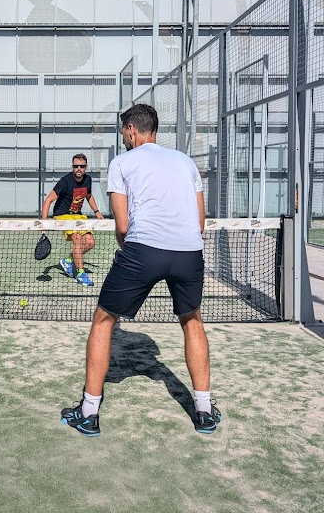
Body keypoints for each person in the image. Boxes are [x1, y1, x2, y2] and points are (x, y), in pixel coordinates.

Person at [60, 104, 222, 436]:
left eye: (123, 131)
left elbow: (123, 225)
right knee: (192, 321)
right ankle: (204, 411)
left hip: (143, 251)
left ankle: (89, 413)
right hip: (190, 252)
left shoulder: (121, 163)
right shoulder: (186, 162)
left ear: (132, 129)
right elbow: (200, 222)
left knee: (104, 320)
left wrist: (133, 255)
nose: (123, 136)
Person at [41, 153, 105, 287]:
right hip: (63, 215)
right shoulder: (65, 181)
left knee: (90, 242)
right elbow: (48, 200)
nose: (79, 169)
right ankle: (80, 273)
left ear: (86, 167)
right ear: (72, 167)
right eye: (76, 166)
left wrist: (97, 212)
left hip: (78, 216)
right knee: (77, 239)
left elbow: (88, 196)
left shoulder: (88, 180)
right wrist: (44, 221)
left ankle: (69, 260)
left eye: (81, 166)